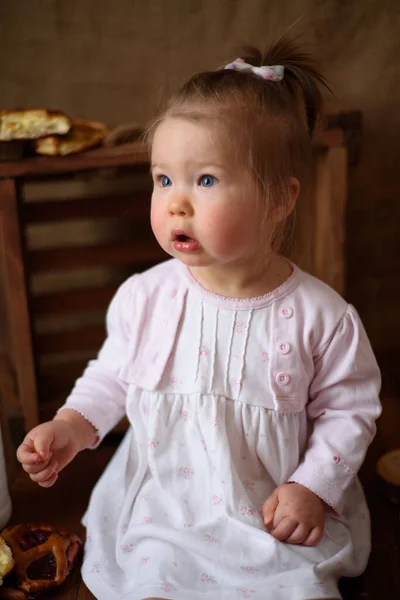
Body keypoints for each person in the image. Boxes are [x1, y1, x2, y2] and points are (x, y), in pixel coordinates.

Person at [17, 37, 381, 600]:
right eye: (164, 179)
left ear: (279, 201)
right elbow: (113, 377)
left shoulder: (321, 316)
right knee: (155, 578)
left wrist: (312, 487)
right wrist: (69, 427)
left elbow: (348, 412)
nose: (176, 203)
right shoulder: (146, 296)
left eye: (205, 180)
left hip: (272, 504)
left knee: (293, 587)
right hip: (168, 498)